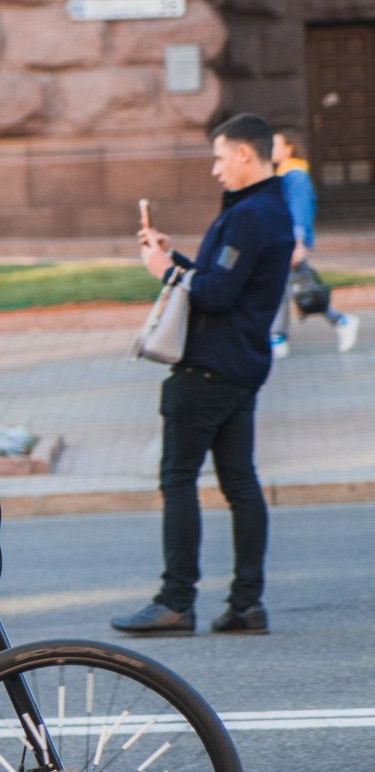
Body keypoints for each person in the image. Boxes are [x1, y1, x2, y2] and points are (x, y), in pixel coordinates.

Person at [111, 114, 293, 637]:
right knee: (240, 482)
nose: (214, 170)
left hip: (210, 369)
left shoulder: (252, 215)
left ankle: (175, 601)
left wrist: (163, 272)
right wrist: (176, 259)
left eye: (219, 157)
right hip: (243, 367)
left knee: (178, 479)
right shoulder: (268, 210)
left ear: (243, 154)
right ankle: (246, 604)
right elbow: (220, 280)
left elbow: (215, 294)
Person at [268, 127, 359, 357]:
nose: (271, 149)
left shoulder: (295, 175)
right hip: (284, 240)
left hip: (290, 241)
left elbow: (300, 210)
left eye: (276, 144)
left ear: (289, 148)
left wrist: (298, 243)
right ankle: (339, 321)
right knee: (298, 286)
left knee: (286, 287)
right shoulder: (286, 174)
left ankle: (279, 337)